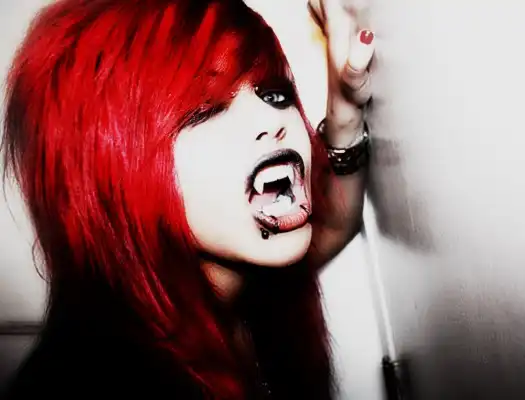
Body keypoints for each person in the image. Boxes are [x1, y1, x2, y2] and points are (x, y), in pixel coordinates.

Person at [1, 0, 374, 398]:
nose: (273, 119)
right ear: (115, 169)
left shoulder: (251, 287)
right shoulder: (87, 379)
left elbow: (334, 224)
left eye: (273, 93)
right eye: (205, 109)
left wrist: (346, 105)